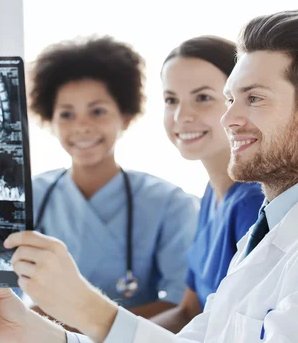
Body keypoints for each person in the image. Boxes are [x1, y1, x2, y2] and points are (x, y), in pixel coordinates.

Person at [0, 10, 298, 343]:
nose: (228, 117)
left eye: (254, 99)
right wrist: (38, 334)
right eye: (231, 97)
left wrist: (81, 305)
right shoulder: (271, 235)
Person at [22, 36, 198, 319]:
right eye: (66, 114)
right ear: (50, 122)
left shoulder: (168, 203)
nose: (81, 126)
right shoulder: (30, 196)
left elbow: (183, 306)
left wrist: (79, 329)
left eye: (98, 111)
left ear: (125, 116)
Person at [150, 36, 264, 332]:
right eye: (171, 100)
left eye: (202, 98)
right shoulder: (212, 195)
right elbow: (189, 311)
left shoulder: (253, 204)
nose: (181, 116)